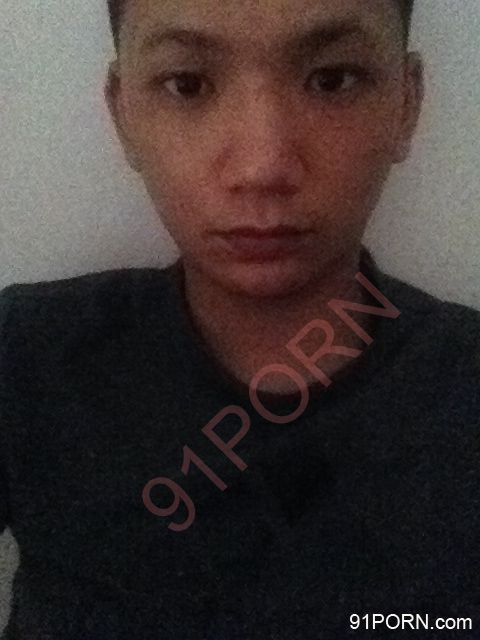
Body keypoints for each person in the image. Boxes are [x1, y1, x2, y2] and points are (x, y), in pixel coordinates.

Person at [0, 0, 479, 638]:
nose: (263, 168)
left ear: (407, 103)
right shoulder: (25, 358)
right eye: (187, 83)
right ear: (123, 114)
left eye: (332, 79)